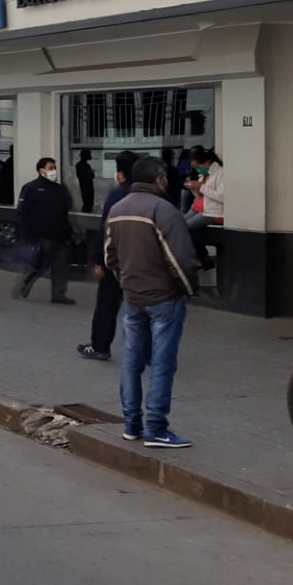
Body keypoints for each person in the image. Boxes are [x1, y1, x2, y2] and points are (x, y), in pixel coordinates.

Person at [104, 156, 199, 449]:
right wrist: (187, 289)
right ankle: (156, 427)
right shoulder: (164, 209)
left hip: (132, 297)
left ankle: (132, 424)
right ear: (159, 179)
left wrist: (127, 281)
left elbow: (111, 257)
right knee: (162, 364)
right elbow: (180, 258)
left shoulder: (117, 209)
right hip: (163, 299)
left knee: (131, 362)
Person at [79, 152, 141, 361]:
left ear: (121, 173)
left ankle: (100, 346)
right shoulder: (156, 195)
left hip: (115, 260)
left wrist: (98, 260)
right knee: (144, 309)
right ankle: (146, 352)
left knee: (107, 305)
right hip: (144, 262)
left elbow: (105, 228)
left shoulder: (118, 195)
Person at [15, 157, 76, 304]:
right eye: (50, 168)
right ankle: (24, 285)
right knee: (40, 265)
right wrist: (26, 235)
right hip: (41, 235)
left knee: (60, 266)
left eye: (54, 168)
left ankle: (59, 294)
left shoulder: (60, 189)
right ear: (41, 171)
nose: (54, 171)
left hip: (60, 235)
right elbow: (22, 213)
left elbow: (67, 207)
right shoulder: (31, 188)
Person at [182, 148, 225, 268]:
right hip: (198, 209)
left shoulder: (220, 174)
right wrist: (194, 189)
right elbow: (202, 196)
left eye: (198, 166)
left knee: (184, 227)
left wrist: (201, 187)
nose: (197, 169)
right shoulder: (204, 175)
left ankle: (200, 257)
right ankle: (202, 257)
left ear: (207, 162)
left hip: (212, 212)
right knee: (178, 223)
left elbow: (222, 197)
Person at [76, 150, 97, 214]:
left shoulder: (85, 165)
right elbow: (84, 176)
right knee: (87, 202)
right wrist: (91, 173)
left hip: (87, 186)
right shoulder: (81, 165)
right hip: (86, 187)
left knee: (89, 202)